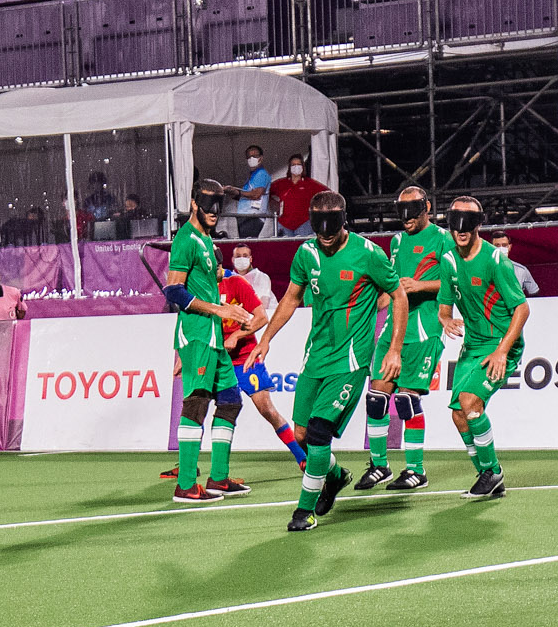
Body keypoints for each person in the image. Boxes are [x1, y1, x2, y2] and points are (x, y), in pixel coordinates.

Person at [247, 190, 407, 531]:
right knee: (302, 435)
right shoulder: (306, 253)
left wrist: (393, 349)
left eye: (331, 225)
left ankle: (303, 512)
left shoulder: (367, 254)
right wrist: (266, 339)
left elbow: (398, 294)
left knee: (320, 435)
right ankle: (335, 477)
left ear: (343, 219)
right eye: (318, 226)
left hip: (350, 362)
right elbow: (291, 297)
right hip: (314, 358)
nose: (325, 233)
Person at [161, 179, 262, 503]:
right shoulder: (186, 239)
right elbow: (174, 290)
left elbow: (207, 277)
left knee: (231, 400)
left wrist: (223, 279)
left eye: (218, 205)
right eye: (208, 205)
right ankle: (186, 484)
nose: (214, 212)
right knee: (197, 401)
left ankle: (218, 478)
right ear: (194, 204)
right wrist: (221, 308)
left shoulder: (205, 240)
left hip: (215, 335)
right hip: (197, 333)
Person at [356, 184, 457, 493]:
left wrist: (420, 286)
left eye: (412, 211)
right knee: (376, 398)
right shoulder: (397, 241)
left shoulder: (443, 239)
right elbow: (393, 283)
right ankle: (379, 465)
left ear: (426, 207)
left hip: (425, 327)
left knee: (406, 400)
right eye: (401, 212)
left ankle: (415, 471)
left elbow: (455, 279)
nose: (406, 218)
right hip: (394, 327)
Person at [438, 196, 527, 499]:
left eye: (467, 223)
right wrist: (446, 319)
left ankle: (492, 471)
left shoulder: (495, 260)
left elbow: (522, 309)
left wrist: (502, 351)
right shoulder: (448, 260)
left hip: (500, 346)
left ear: (478, 225)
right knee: (459, 414)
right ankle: (488, 474)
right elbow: (444, 306)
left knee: (470, 401)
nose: (460, 229)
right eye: (455, 222)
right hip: (471, 346)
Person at [267, 154, 328, 237]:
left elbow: (327, 193)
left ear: (303, 167)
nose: (296, 167)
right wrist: (273, 203)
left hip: (304, 223)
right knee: (284, 247)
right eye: (293, 165)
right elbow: (266, 192)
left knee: (302, 247)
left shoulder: (310, 184)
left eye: (298, 164)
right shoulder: (281, 183)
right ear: (289, 167)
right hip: (284, 223)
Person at [220, 147, 273, 238]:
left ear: (261, 158)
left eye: (255, 156)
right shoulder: (252, 175)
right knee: (245, 242)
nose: (252, 159)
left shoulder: (261, 174)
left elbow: (256, 194)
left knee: (247, 243)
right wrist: (232, 192)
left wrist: (238, 192)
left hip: (252, 216)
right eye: (249, 156)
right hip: (246, 216)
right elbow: (246, 195)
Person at [489, 231, 539, 296]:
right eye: (497, 245)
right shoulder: (482, 269)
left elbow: (534, 292)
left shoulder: (521, 270)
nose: (501, 248)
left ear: (509, 247)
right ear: (490, 247)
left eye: (504, 245)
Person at [227, 243, 274, 309]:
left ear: (250, 259)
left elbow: (264, 305)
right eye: (238, 256)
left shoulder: (262, 277)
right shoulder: (228, 278)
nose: (241, 259)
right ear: (233, 260)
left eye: (245, 256)